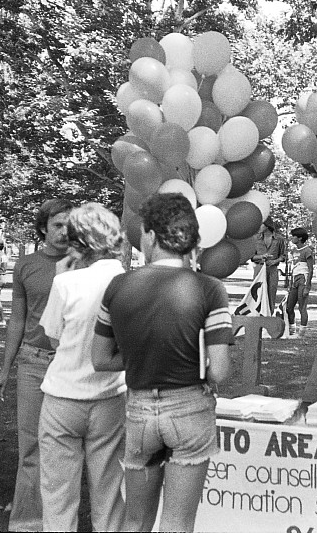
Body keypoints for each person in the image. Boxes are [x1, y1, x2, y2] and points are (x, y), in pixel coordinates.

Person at [91, 193, 232, 533]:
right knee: (177, 524)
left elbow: (100, 358)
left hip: (139, 409)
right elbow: (220, 371)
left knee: (135, 521)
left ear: (152, 236)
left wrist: (144, 356)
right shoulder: (210, 289)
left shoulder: (117, 286)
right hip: (189, 408)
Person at [37, 203, 127, 531]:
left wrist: (62, 279)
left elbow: (52, 339)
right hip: (110, 397)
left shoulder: (67, 284)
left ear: (78, 243)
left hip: (63, 397)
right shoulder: (128, 282)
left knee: (58, 495)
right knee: (110, 493)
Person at [0, 198, 73, 531]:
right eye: (57, 225)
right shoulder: (26, 265)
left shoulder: (83, 264)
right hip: (33, 363)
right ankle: (26, 523)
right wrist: (4, 369)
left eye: (70, 224)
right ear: (43, 228)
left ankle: (59, 521)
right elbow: (17, 319)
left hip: (70, 364)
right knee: (31, 448)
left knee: (68, 446)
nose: (64, 231)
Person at [284, 227, 313, 339]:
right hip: (294, 281)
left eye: (293, 236)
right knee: (289, 307)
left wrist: (307, 287)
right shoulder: (294, 251)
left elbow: (310, 269)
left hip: (303, 281)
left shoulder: (307, 251)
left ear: (300, 238)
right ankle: (292, 330)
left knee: (302, 308)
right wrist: (290, 284)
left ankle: (301, 333)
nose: (292, 238)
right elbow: (294, 268)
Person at [252, 217, 286, 311]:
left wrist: (275, 261)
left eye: (261, 224)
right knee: (257, 295)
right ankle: (257, 317)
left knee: (271, 295)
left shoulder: (279, 239)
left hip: (272, 270)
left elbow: (283, 256)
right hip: (259, 269)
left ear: (267, 226)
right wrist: (262, 256)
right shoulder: (255, 239)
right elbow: (252, 257)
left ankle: (269, 316)